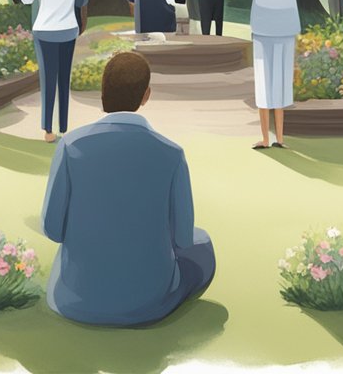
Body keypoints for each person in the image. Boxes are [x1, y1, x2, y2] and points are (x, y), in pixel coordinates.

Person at [41, 52, 215, 326]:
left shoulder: (71, 146)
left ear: (102, 92)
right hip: (148, 302)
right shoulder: (171, 153)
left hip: (72, 298)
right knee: (203, 244)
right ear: (146, 95)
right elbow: (182, 237)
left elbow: (52, 229)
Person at [245, 0, 307, 150]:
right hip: (286, 18)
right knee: (281, 79)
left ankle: (265, 136)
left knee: (263, 79)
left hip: (263, 18)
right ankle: (280, 137)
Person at [20, 0, 88, 142]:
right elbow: (81, 0)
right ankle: (64, 127)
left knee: (48, 81)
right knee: (63, 80)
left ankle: (48, 131)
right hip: (68, 30)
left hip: (46, 31)